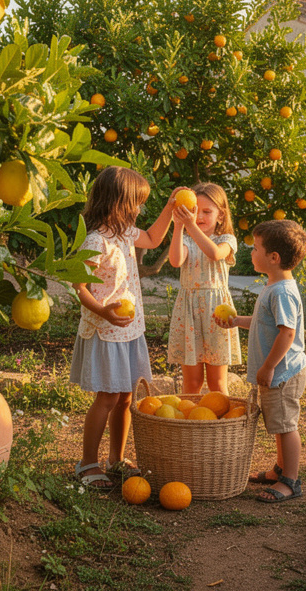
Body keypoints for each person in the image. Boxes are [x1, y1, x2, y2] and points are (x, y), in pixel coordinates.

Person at [70, 166, 179, 489]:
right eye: (136, 203)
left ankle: (116, 459)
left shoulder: (127, 233)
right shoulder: (96, 240)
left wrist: (172, 207)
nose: (139, 210)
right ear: (118, 203)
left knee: (126, 397)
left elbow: (155, 237)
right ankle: (88, 462)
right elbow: (79, 285)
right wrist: (103, 310)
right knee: (107, 397)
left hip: (130, 330)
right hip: (106, 329)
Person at [215, 219, 306, 503]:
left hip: (282, 373)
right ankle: (280, 469)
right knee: (278, 423)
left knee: (286, 425)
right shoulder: (274, 286)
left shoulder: (281, 291)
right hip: (277, 373)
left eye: (255, 248)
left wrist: (268, 367)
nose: (251, 252)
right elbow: (264, 322)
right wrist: (235, 322)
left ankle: (291, 481)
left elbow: (288, 332)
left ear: (273, 257)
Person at [167, 183, 240, 395]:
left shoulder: (226, 240)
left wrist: (191, 225)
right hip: (189, 313)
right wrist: (179, 226)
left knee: (217, 383)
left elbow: (215, 254)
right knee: (191, 383)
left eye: (207, 212)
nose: (199, 217)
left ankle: (222, 427)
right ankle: (192, 426)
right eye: (195, 211)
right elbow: (175, 260)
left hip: (216, 313)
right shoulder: (187, 240)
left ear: (221, 215)